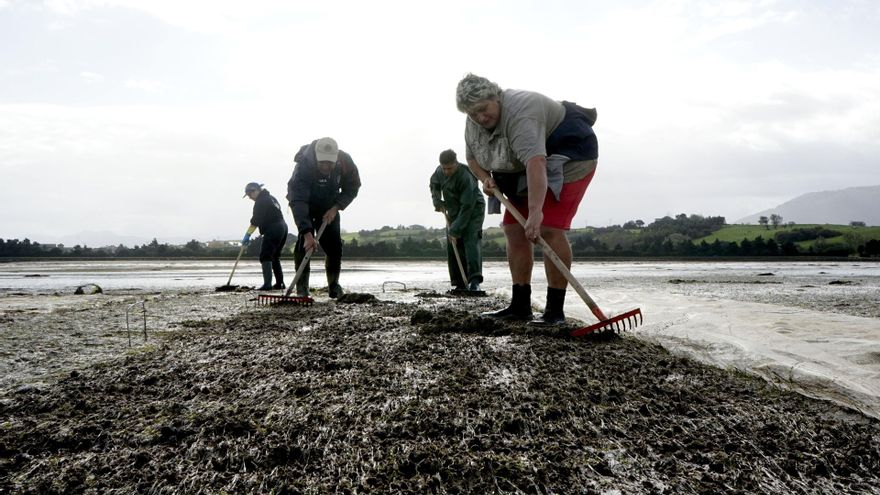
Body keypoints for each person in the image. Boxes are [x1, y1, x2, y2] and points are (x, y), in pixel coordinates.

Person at [455, 73, 598, 325]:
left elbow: (536, 161)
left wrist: (535, 212)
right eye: (472, 113)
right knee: (513, 229)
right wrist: (485, 178)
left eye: (483, 109)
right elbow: (472, 160)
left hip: (571, 155)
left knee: (548, 228)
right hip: (522, 169)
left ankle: (555, 312)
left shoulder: (521, 112)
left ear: (495, 97)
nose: (480, 118)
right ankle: (520, 305)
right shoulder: (474, 122)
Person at [287, 137, 361, 298]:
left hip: (329, 206)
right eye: (322, 163)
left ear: (336, 158)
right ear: (316, 157)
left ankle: (334, 285)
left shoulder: (345, 162)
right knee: (303, 245)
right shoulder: (304, 166)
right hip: (305, 204)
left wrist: (336, 207)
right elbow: (298, 201)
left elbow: (353, 187)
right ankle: (302, 290)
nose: (326, 166)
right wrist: (307, 234)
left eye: (330, 163)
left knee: (335, 246)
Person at [429, 149, 485, 291]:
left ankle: (474, 281)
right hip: (453, 209)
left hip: (473, 209)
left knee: (470, 239)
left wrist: (455, 229)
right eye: (444, 168)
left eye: (450, 168)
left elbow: (467, 206)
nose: (446, 172)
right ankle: (460, 282)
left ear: (456, 163)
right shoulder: (439, 171)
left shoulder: (466, 176)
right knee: (453, 243)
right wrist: (437, 201)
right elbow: (434, 184)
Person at [242, 182, 289, 290]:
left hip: (273, 228)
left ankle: (267, 284)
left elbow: (255, 220)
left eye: (250, 195)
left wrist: (248, 235)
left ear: (256, 191)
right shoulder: (271, 198)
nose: (250, 198)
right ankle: (280, 283)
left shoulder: (261, 201)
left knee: (265, 255)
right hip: (283, 226)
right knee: (275, 256)